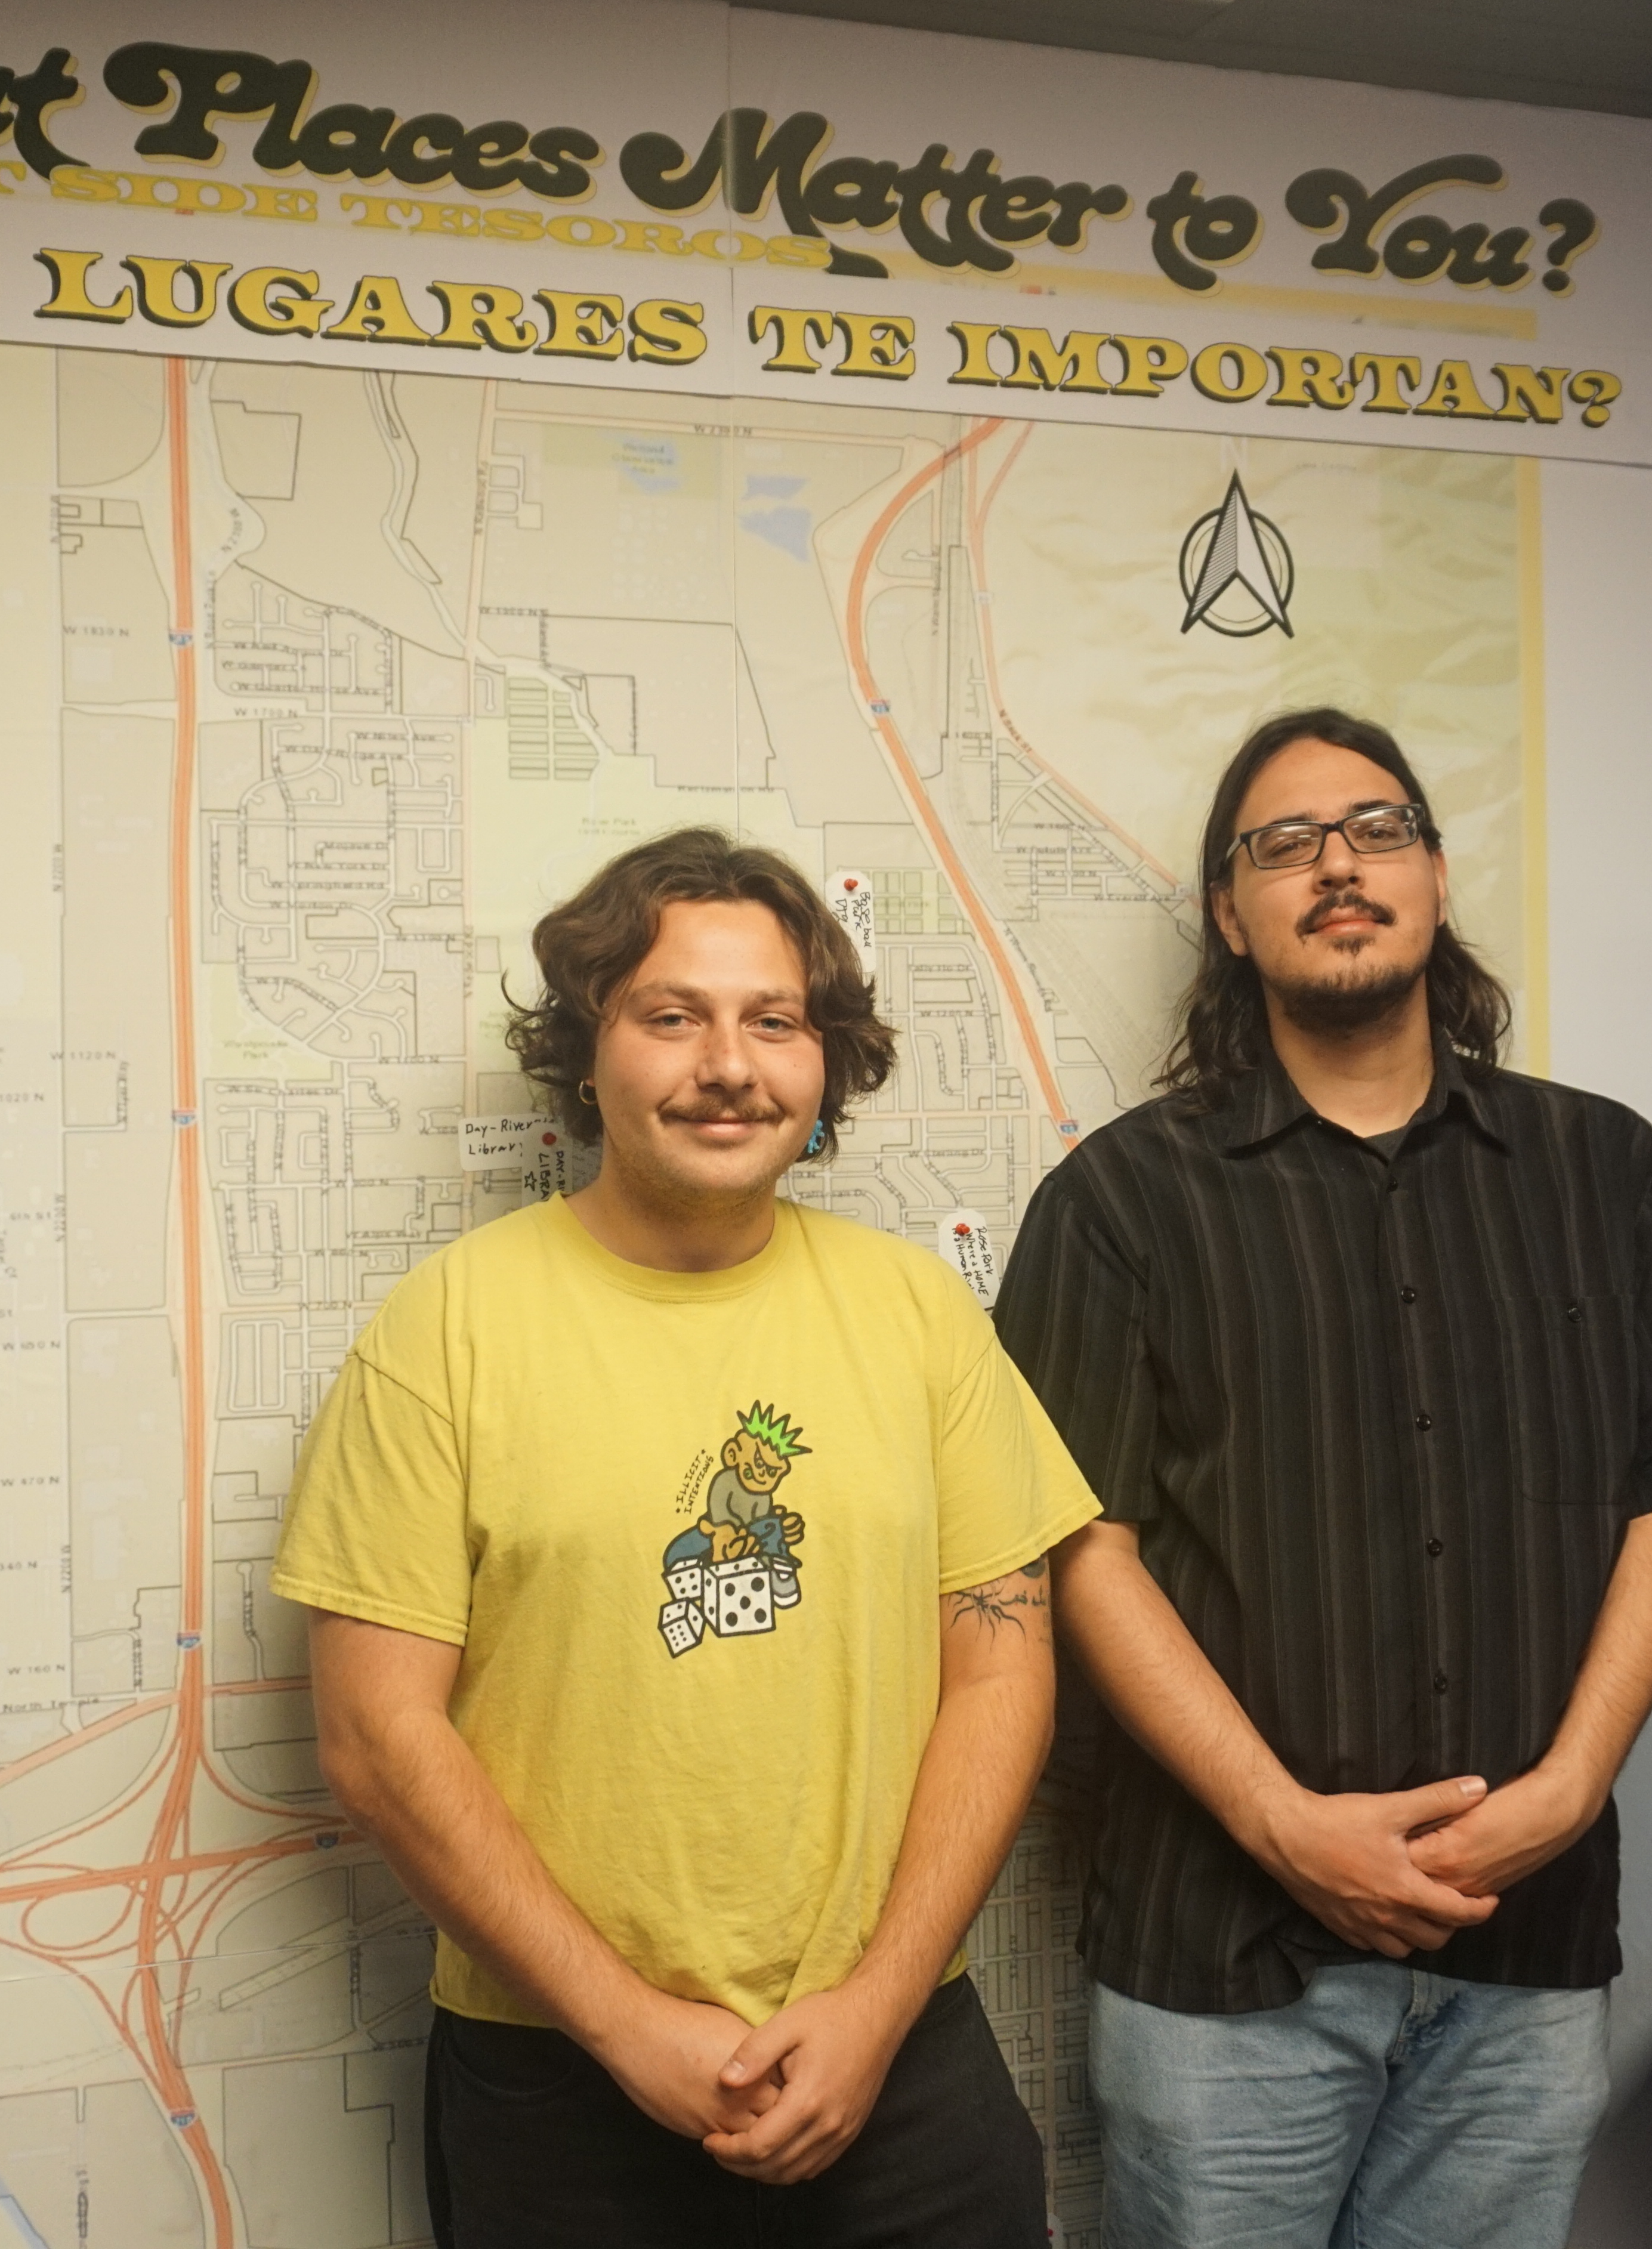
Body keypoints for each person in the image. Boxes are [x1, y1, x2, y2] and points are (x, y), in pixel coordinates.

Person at [275, 827, 1098, 2248]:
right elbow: (375, 1738)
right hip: (558, 2077)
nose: (731, 1064)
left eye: (774, 1021)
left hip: (900, 2059)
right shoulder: (446, 1329)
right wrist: (628, 2024)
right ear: (585, 1054)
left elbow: (1001, 1664)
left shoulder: (919, 1316)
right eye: (673, 1015)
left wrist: (876, 2005)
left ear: (823, 1060)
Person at [996, 708, 1652, 2249]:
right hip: (1224, 1965)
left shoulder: (1609, 1176)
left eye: (1378, 830)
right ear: (1228, 913)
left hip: (1526, 1954)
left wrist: (1573, 1789)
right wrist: (1281, 1826)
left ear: (1436, 880)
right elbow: (1078, 1547)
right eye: (1284, 845)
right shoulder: (1117, 1203)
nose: (1337, 866)